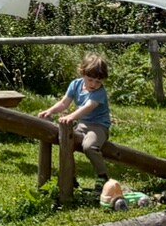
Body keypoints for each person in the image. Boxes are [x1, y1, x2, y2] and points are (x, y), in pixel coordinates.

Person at [39, 52, 114, 181]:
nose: (93, 84)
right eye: (90, 79)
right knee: (67, 144)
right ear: (83, 73)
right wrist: (50, 111)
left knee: (89, 147)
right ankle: (70, 178)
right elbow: (64, 103)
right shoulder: (76, 85)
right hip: (82, 125)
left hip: (98, 127)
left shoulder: (99, 92)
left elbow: (88, 107)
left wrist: (71, 117)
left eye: (98, 81)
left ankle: (103, 177)